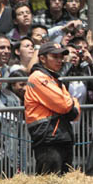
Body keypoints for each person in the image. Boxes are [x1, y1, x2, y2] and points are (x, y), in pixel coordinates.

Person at [24, 42, 81, 175]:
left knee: (64, 181)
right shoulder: (38, 77)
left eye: (61, 57)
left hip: (60, 134)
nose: (60, 60)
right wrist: (73, 102)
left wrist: (72, 103)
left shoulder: (53, 78)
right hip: (48, 136)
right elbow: (66, 105)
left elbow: (74, 112)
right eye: (55, 57)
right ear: (42, 58)